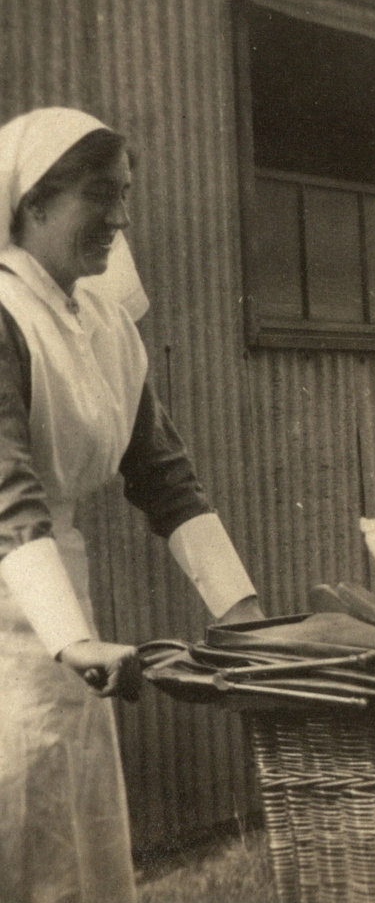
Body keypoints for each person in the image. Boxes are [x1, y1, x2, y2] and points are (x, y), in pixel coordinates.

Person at [0, 107, 265, 903]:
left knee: (70, 827)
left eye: (124, 195)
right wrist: (72, 638)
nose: (119, 217)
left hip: (56, 600)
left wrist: (245, 614)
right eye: (96, 195)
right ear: (33, 204)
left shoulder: (106, 323)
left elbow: (164, 476)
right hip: (20, 592)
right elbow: (7, 492)